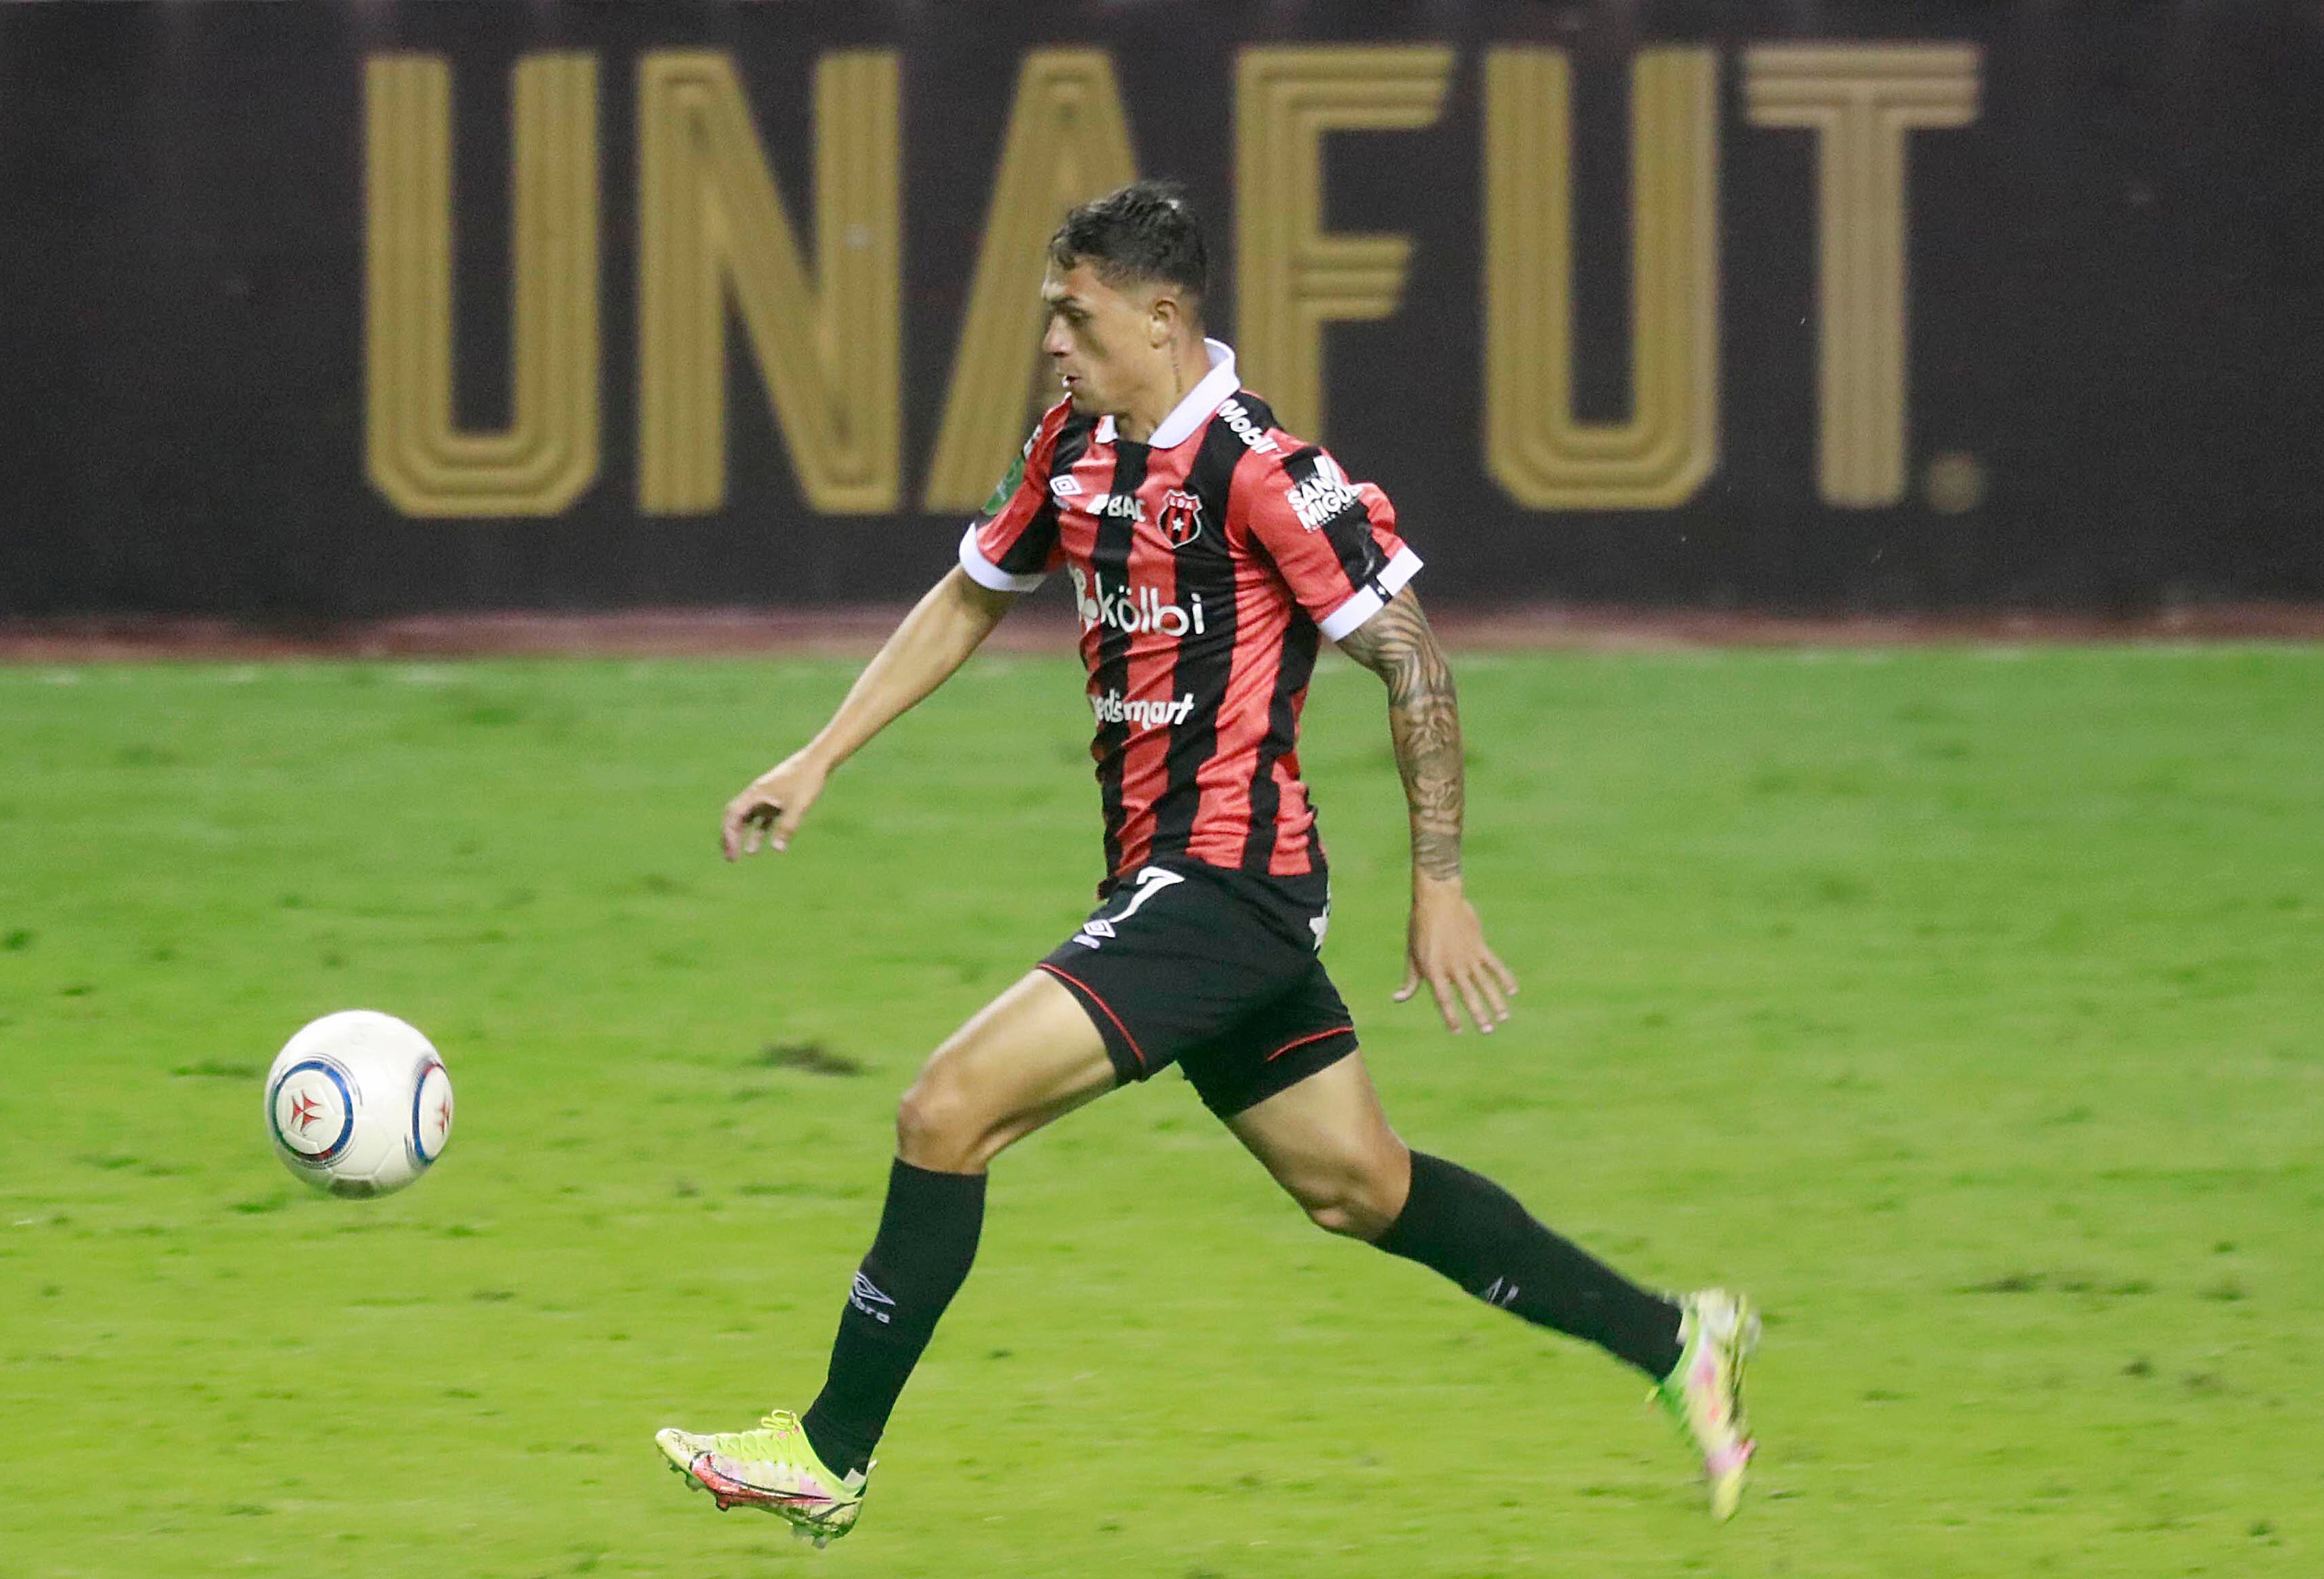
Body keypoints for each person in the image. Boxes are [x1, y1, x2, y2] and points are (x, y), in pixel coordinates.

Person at [655, 181, 1758, 1546]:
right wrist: (819, 756)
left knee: (946, 1113)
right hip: (1173, 893)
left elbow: (1409, 653)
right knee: (1361, 1188)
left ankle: (827, 1456)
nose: (1054, 338)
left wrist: (1441, 881)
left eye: (1077, 312)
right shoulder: (1072, 444)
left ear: (1163, 316)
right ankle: (1675, 1342)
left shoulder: (1263, 469)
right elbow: (967, 596)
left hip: (1228, 890)